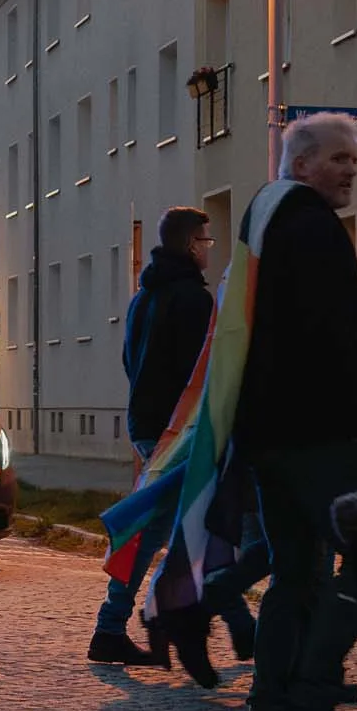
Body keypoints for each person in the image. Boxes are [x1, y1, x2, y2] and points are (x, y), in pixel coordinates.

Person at [234, 112, 357, 711]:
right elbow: (328, 342)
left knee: (295, 573)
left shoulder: (265, 226)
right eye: (338, 159)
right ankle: (309, 706)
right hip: (326, 434)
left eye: (354, 159)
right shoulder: (317, 228)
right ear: (300, 166)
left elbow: (278, 318)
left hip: (269, 432)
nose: (351, 168)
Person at [89, 206, 218, 669]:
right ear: (190, 245)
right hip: (179, 433)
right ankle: (136, 621)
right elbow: (202, 374)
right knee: (193, 530)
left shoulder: (143, 298)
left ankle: (124, 623)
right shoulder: (195, 300)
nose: (208, 248)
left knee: (158, 530)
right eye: (205, 241)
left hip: (144, 425)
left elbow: (129, 360)